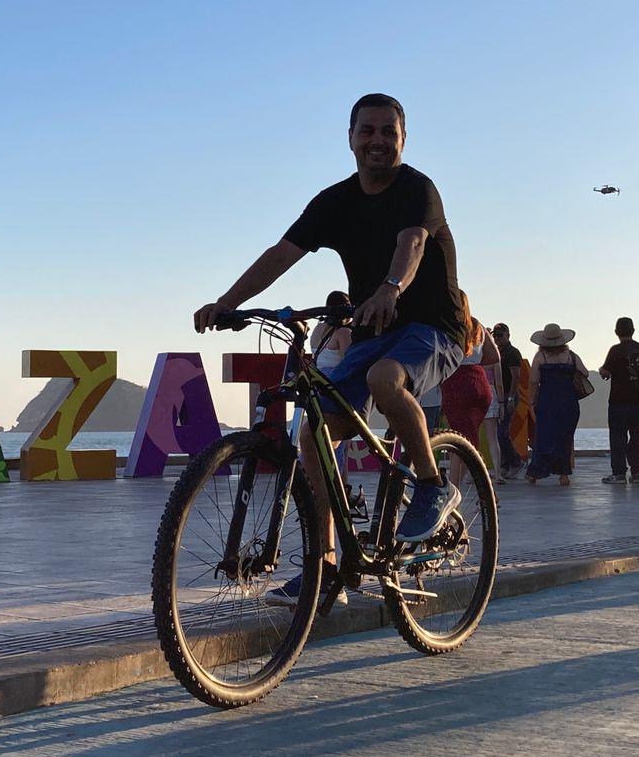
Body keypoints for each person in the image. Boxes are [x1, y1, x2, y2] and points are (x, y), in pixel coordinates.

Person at [194, 93, 469, 607]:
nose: (378, 141)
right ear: (350, 139)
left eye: (389, 132)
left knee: (385, 380)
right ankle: (325, 567)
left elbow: (411, 245)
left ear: (403, 139)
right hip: (375, 331)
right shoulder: (334, 201)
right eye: (367, 131)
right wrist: (227, 303)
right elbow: (282, 254)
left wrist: (391, 288)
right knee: (317, 430)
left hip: (434, 328)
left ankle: (433, 485)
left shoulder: (419, 190)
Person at [440, 307, 499, 488]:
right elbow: (494, 356)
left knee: (459, 441)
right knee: (468, 439)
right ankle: (481, 489)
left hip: (457, 382)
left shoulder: (446, 324)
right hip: (479, 382)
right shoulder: (477, 326)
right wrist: (475, 359)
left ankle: (453, 491)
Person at [526, 324, 587, 486]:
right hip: (569, 402)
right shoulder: (571, 356)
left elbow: (533, 381)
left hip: (547, 402)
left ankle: (536, 473)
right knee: (565, 438)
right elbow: (585, 372)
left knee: (543, 436)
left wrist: (530, 401)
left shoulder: (540, 357)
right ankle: (563, 475)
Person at [599, 317, 639, 484]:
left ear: (616, 332)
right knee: (638, 438)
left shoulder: (615, 350)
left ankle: (619, 473)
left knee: (617, 438)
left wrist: (602, 369)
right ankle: (637, 472)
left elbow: (606, 373)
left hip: (618, 401)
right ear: (633, 330)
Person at [490, 323, 527, 479]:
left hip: (508, 395)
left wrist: (510, 397)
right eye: (495, 335)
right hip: (497, 396)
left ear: (508, 335)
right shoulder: (495, 352)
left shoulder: (512, 353)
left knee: (501, 432)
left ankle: (516, 461)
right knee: (498, 432)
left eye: (500, 335)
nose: (497, 338)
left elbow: (516, 377)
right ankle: (505, 464)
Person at [311, 290, 355, 372]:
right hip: (335, 381)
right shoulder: (344, 333)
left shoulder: (317, 328)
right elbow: (348, 365)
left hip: (319, 379)